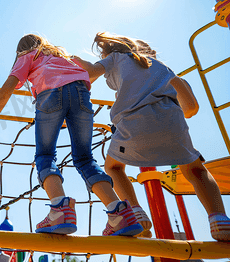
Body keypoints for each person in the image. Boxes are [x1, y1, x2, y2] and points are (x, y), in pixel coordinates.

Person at [71, 32, 230, 241]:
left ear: (112, 50)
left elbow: (90, 72)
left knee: (113, 167)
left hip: (133, 126)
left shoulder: (116, 57)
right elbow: (191, 108)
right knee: (196, 171)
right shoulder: (163, 68)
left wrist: (73, 59)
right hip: (172, 124)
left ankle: (135, 211)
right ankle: (219, 219)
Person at [0, 34, 143, 236]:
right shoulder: (63, 57)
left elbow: (8, 86)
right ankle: (119, 212)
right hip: (81, 94)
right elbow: (85, 76)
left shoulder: (28, 55)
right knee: (85, 159)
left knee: (45, 156)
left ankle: (60, 209)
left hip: (50, 95)